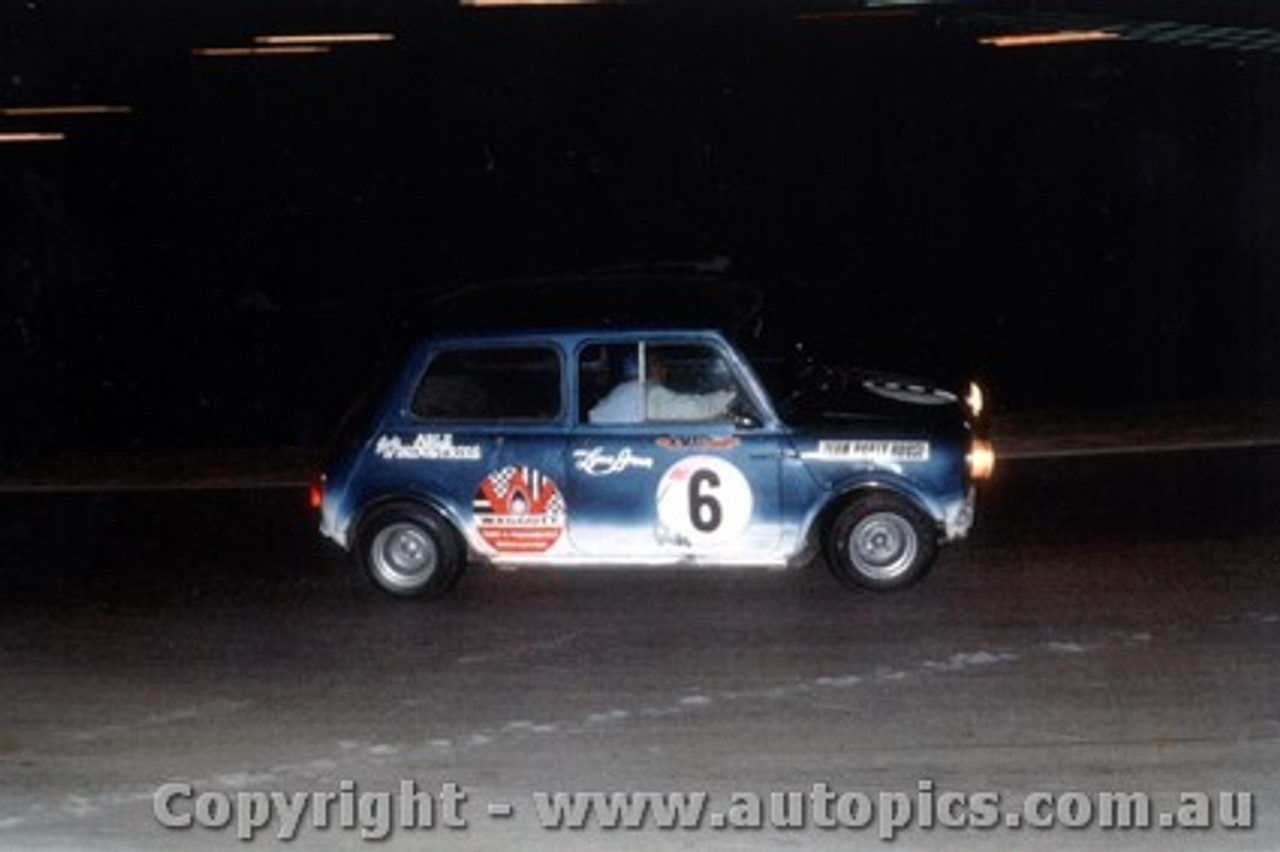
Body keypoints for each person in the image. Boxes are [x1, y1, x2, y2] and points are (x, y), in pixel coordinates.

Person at [589, 349, 736, 424]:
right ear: (649, 369)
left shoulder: (620, 390)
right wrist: (729, 394)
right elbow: (695, 409)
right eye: (660, 365)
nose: (665, 371)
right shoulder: (648, 392)